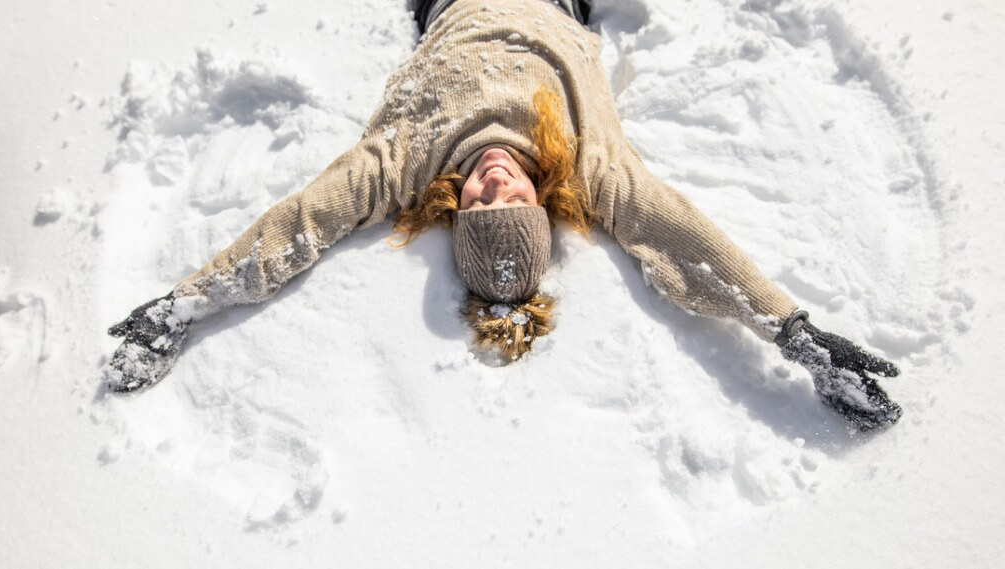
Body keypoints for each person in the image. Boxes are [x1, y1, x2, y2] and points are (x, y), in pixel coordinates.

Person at [102, 0, 902, 431]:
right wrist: (794, 333)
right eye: (510, 201)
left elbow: (300, 224)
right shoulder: (587, 162)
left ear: (454, 211)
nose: (492, 183)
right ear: (540, 207)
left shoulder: (409, 158)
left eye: (478, 204)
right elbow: (679, 238)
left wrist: (182, 306)